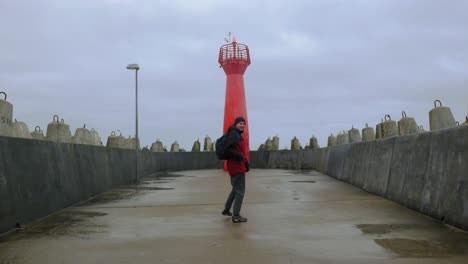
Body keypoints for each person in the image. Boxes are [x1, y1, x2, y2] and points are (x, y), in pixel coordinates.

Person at [221, 116, 250, 223]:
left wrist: (243, 160)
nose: (242, 125)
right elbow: (228, 149)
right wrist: (240, 157)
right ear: (235, 124)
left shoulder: (235, 134)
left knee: (235, 189)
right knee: (240, 192)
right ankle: (236, 216)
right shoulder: (234, 134)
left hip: (236, 166)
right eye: (240, 123)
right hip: (237, 166)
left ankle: (226, 209)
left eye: (244, 123)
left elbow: (234, 150)